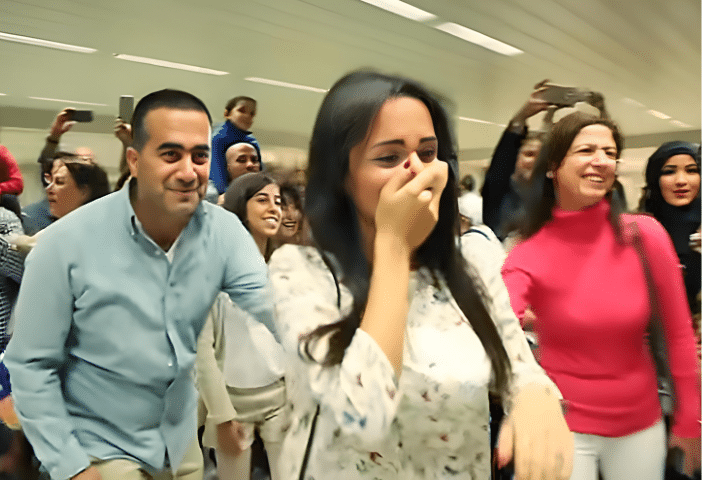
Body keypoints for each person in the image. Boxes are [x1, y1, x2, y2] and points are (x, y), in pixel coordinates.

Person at [268, 70, 572, 480]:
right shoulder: (300, 274)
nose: (417, 172)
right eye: (389, 158)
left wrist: (535, 394)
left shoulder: (472, 264)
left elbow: (518, 364)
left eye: (427, 153)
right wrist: (394, 245)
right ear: (343, 176)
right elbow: (365, 415)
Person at [4, 89, 278, 480]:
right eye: (171, 155)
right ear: (133, 160)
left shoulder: (222, 232)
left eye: (199, 156)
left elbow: (273, 311)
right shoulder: (66, 243)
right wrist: (72, 466)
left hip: (179, 446)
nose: (188, 171)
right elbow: (30, 364)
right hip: (103, 449)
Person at [501, 112, 701, 480]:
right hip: (562, 424)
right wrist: (522, 402)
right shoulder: (529, 251)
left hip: (640, 425)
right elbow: (501, 330)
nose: (602, 160)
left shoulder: (644, 235)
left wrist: (689, 421)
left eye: (610, 152)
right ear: (553, 167)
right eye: (587, 150)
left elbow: (678, 333)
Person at [197, 172, 288, 480]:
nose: (274, 208)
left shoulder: (284, 268)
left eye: (278, 201)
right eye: (262, 200)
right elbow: (202, 352)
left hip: (280, 397)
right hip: (232, 402)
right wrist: (221, 415)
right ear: (239, 206)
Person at [639, 141, 700, 316]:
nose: (681, 181)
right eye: (669, 172)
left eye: (692, 170)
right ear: (655, 178)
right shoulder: (637, 230)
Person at [209, 97, 261, 196]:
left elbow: (261, 173)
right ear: (227, 113)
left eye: (252, 114)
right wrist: (225, 194)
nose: (247, 116)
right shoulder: (218, 138)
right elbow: (216, 173)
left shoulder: (252, 141)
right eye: (242, 111)